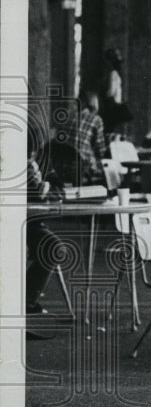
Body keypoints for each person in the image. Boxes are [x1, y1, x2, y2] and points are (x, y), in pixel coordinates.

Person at [26, 136, 65, 317]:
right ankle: (25, 300)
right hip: (14, 224)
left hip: (28, 222)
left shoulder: (32, 166)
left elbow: (56, 182)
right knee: (52, 247)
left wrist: (45, 185)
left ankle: (26, 299)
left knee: (53, 246)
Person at [58, 90, 107, 184]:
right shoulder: (96, 119)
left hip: (58, 167)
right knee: (108, 171)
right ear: (95, 103)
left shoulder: (67, 115)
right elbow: (101, 151)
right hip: (80, 169)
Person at [100, 48, 134, 138]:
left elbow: (111, 92)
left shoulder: (113, 74)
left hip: (112, 105)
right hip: (114, 106)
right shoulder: (114, 74)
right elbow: (112, 92)